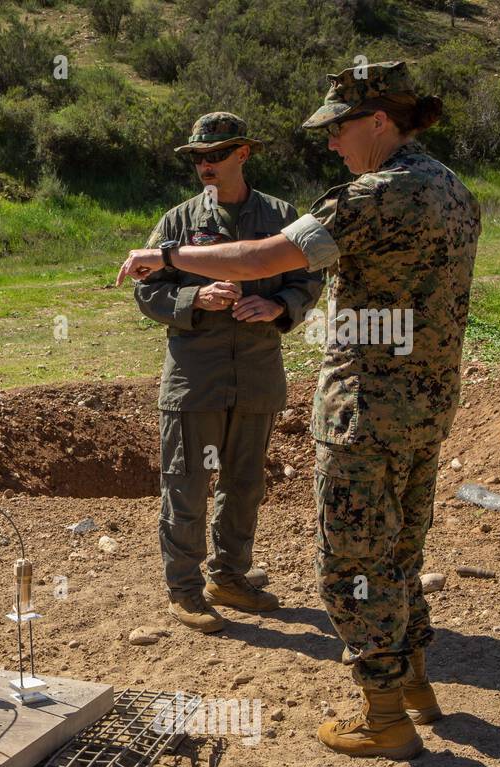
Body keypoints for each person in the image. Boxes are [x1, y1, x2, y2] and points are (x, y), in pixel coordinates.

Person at [117, 62, 481, 760]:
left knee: (352, 562)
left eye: (339, 128)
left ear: (379, 120)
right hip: (426, 407)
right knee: (402, 549)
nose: (332, 145)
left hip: (366, 411)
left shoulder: (372, 194)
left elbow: (271, 257)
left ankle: (383, 719)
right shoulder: (455, 189)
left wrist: (162, 255)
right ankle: (415, 687)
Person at [135, 112, 322, 635]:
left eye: (214, 155)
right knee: (187, 485)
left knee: (244, 484)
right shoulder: (176, 224)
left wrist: (280, 306)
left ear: (243, 154)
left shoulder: (284, 216)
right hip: (196, 378)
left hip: (258, 374)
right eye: (197, 157)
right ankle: (186, 590)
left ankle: (230, 578)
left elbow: (310, 278)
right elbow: (147, 292)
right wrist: (197, 296)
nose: (204, 165)